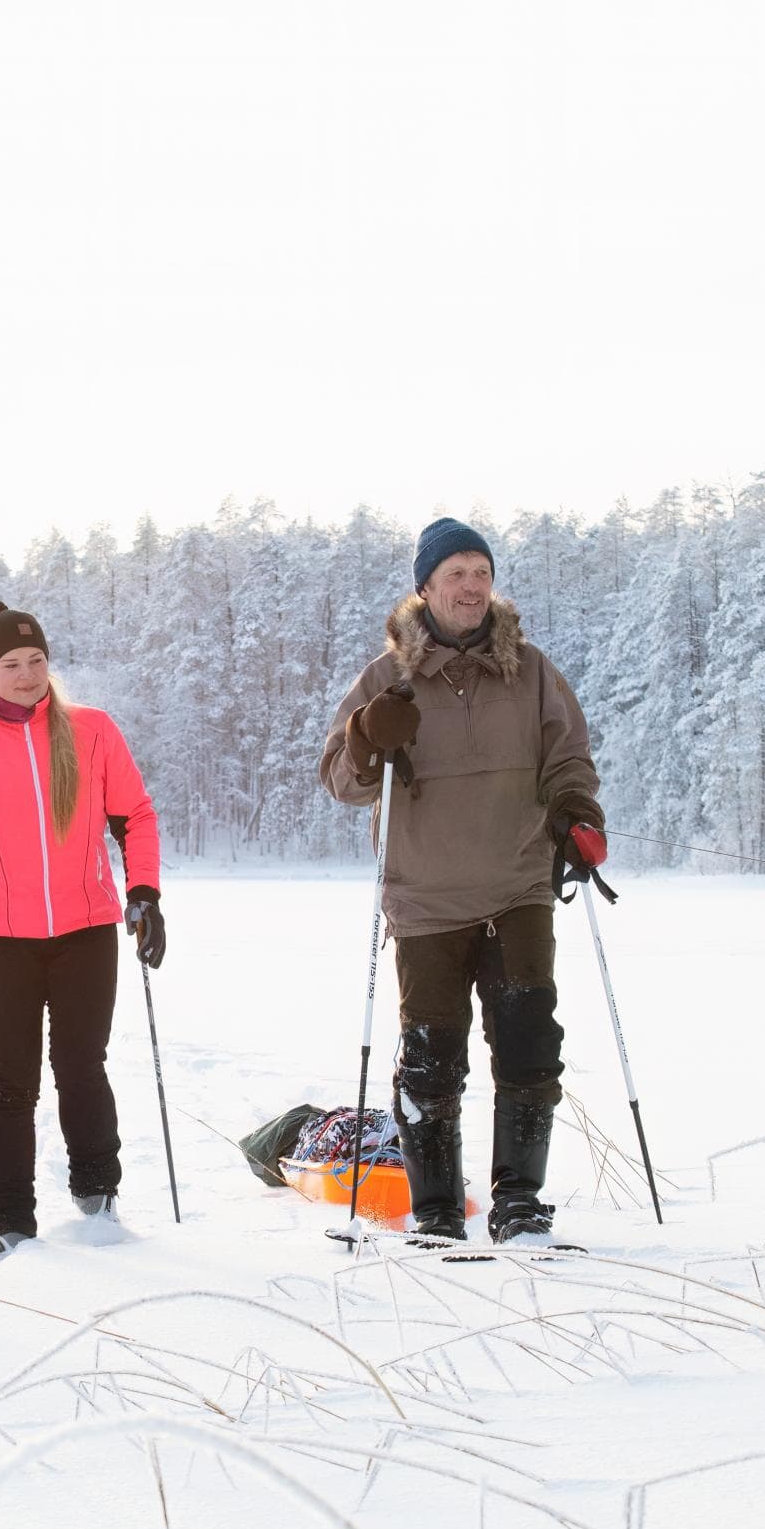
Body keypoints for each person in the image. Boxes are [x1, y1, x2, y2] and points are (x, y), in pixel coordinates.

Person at [317, 518, 605, 1244]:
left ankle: (518, 1202)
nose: (471, 587)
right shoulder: (386, 678)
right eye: (456, 574)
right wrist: (363, 738)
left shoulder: (531, 670)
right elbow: (340, 783)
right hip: (425, 898)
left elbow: (568, 757)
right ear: (426, 588)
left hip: (518, 887)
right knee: (430, 1062)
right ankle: (439, 1211)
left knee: (530, 1044)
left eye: (481, 572)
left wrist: (575, 813)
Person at [0, 600, 165, 1256]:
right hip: (1, 938)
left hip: (86, 930)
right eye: (11, 664)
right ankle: (10, 1219)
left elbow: (134, 815)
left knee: (82, 1066)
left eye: (36, 661)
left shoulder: (92, 732)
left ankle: (98, 1193)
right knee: (10, 1083)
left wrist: (144, 892)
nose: (26, 675)